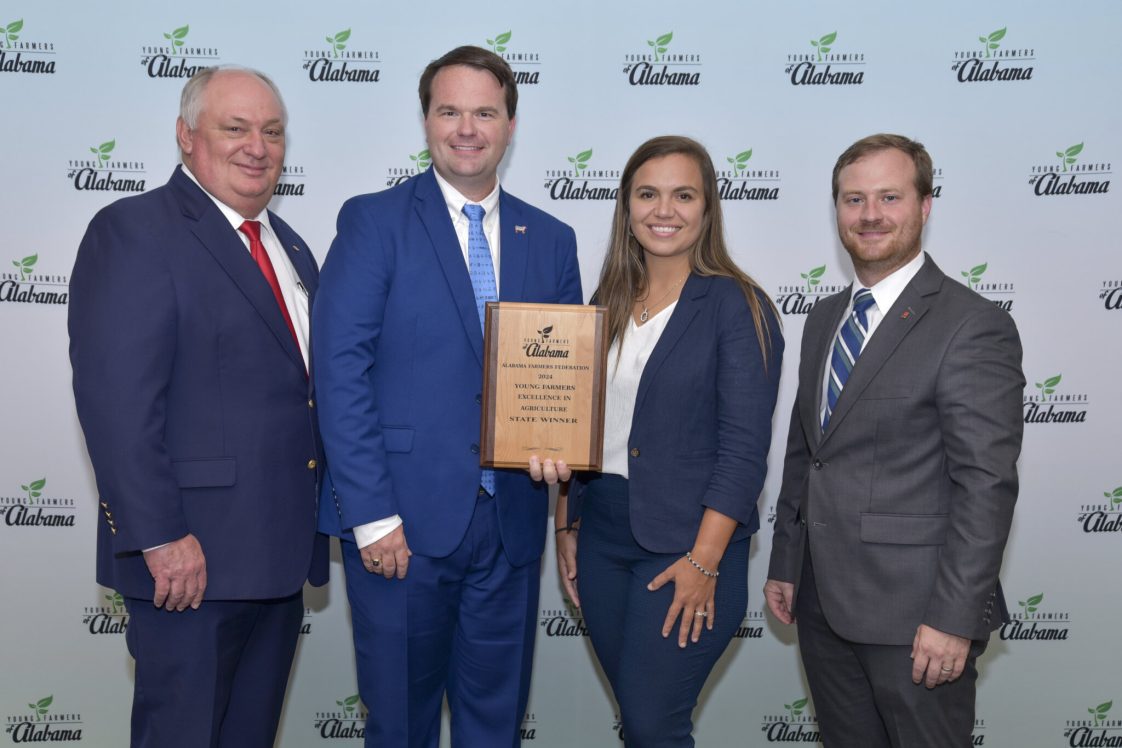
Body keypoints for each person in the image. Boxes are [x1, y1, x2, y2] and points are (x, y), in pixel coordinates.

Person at [312, 46, 582, 747]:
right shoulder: (374, 221)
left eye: (485, 112)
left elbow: (565, 386)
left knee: (495, 725)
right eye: (450, 111)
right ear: (427, 121)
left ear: (511, 124)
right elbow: (339, 372)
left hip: (512, 527)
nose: (467, 128)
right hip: (401, 524)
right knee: (399, 724)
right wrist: (369, 516)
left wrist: (560, 452)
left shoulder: (552, 240)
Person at [68, 66, 328, 747]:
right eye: (234, 128)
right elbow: (118, 403)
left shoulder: (290, 244)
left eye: (272, 131)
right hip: (187, 564)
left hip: (276, 559)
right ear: (187, 137)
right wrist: (158, 536)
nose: (258, 146)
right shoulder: (134, 231)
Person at [764, 133, 1024, 747]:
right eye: (853, 199)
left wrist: (953, 619)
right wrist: (784, 560)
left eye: (889, 197)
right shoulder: (824, 318)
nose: (870, 214)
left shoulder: (972, 324)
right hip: (823, 605)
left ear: (925, 206)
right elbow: (809, 453)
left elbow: (985, 486)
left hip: (918, 619)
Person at [546, 135, 783, 747]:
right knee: (638, 723)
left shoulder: (740, 306)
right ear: (627, 207)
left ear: (708, 209)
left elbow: (743, 453)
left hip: (687, 549)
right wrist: (565, 525)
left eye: (683, 195)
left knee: (656, 725)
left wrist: (704, 562)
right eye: (647, 194)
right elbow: (575, 425)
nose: (664, 210)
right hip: (602, 540)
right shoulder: (607, 303)